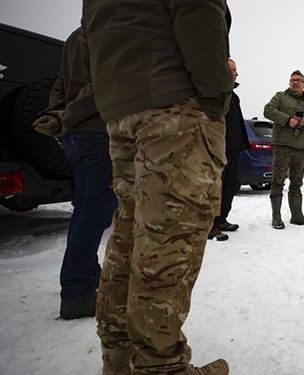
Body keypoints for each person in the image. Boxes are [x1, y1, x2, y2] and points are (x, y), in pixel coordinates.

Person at [82, 0, 233, 373]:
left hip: (122, 108)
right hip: (175, 112)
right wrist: (217, 94)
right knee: (167, 240)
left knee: (130, 235)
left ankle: (118, 359)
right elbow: (198, 13)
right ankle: (159, 367)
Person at [33, 27, 117, 320]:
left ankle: (85, 275)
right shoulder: (113, 28)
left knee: (84, 211)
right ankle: (78, 291)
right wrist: (68, 115)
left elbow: (60, 83)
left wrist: (59, 114)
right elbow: (105, 83)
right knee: (95, 213)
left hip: (76, 136)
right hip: (99, 132)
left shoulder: (76, 36)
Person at [263, 70, 304, 229]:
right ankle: (276, 217)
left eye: (298, 80)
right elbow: (268, 110)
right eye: (292, 80)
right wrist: (287, 120)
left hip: (301, 147)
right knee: (278, 181)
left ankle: (297, 216)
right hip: (282, 145)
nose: (295, 82)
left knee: (297, 182)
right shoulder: (280, 96)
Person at [208, 58, 250, 241]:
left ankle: (221, 219)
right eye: (233, 70)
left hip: (234, 149)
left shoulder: (234, 96)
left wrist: (243, 143)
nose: (237, 73)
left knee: (231, 184)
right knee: (215, 188)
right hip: (218, 150)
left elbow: (238, 122)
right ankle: (209, 225)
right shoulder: (214, 93)